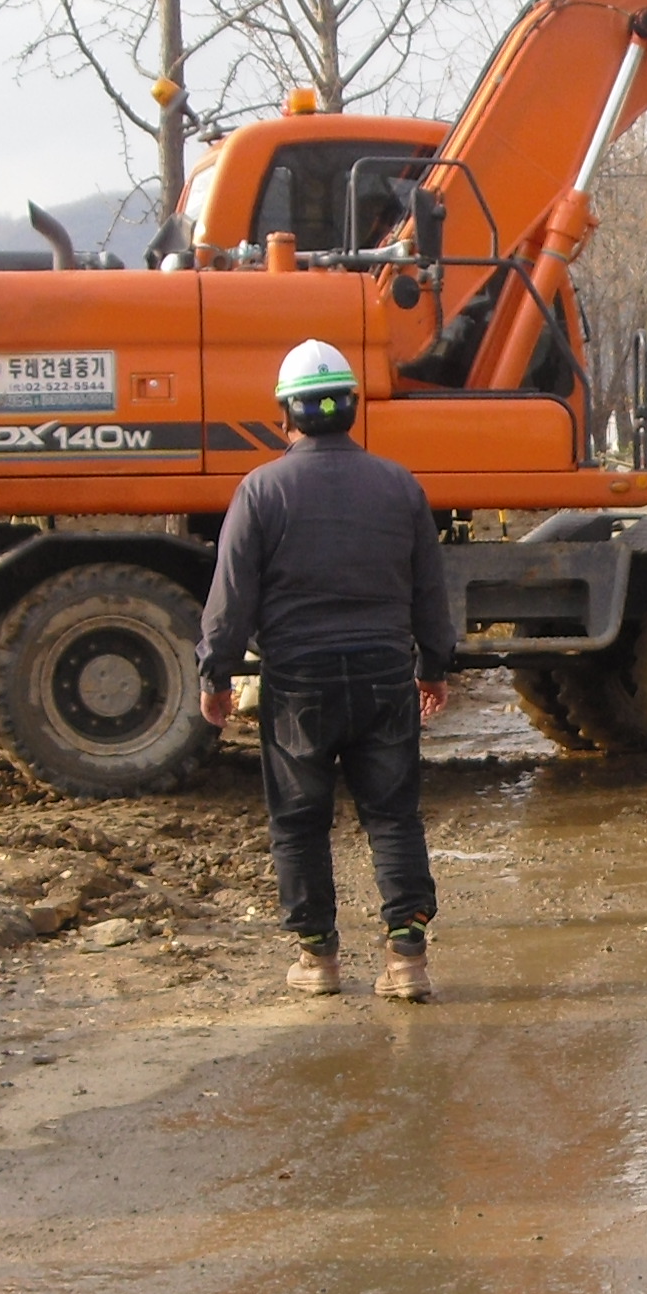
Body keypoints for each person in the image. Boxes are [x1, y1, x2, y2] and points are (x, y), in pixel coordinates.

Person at [196, 340, 452, 1001]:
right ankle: (407, 960)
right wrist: (435, 665)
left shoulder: (260, 491)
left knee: (299, 820)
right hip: (384, 675)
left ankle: (318, 960)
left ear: (287, 414)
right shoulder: (400, 486)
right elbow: (429, 589)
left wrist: (216, 674)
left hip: (299, 685)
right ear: (352, 408)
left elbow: (231, 595)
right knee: (393, 816)